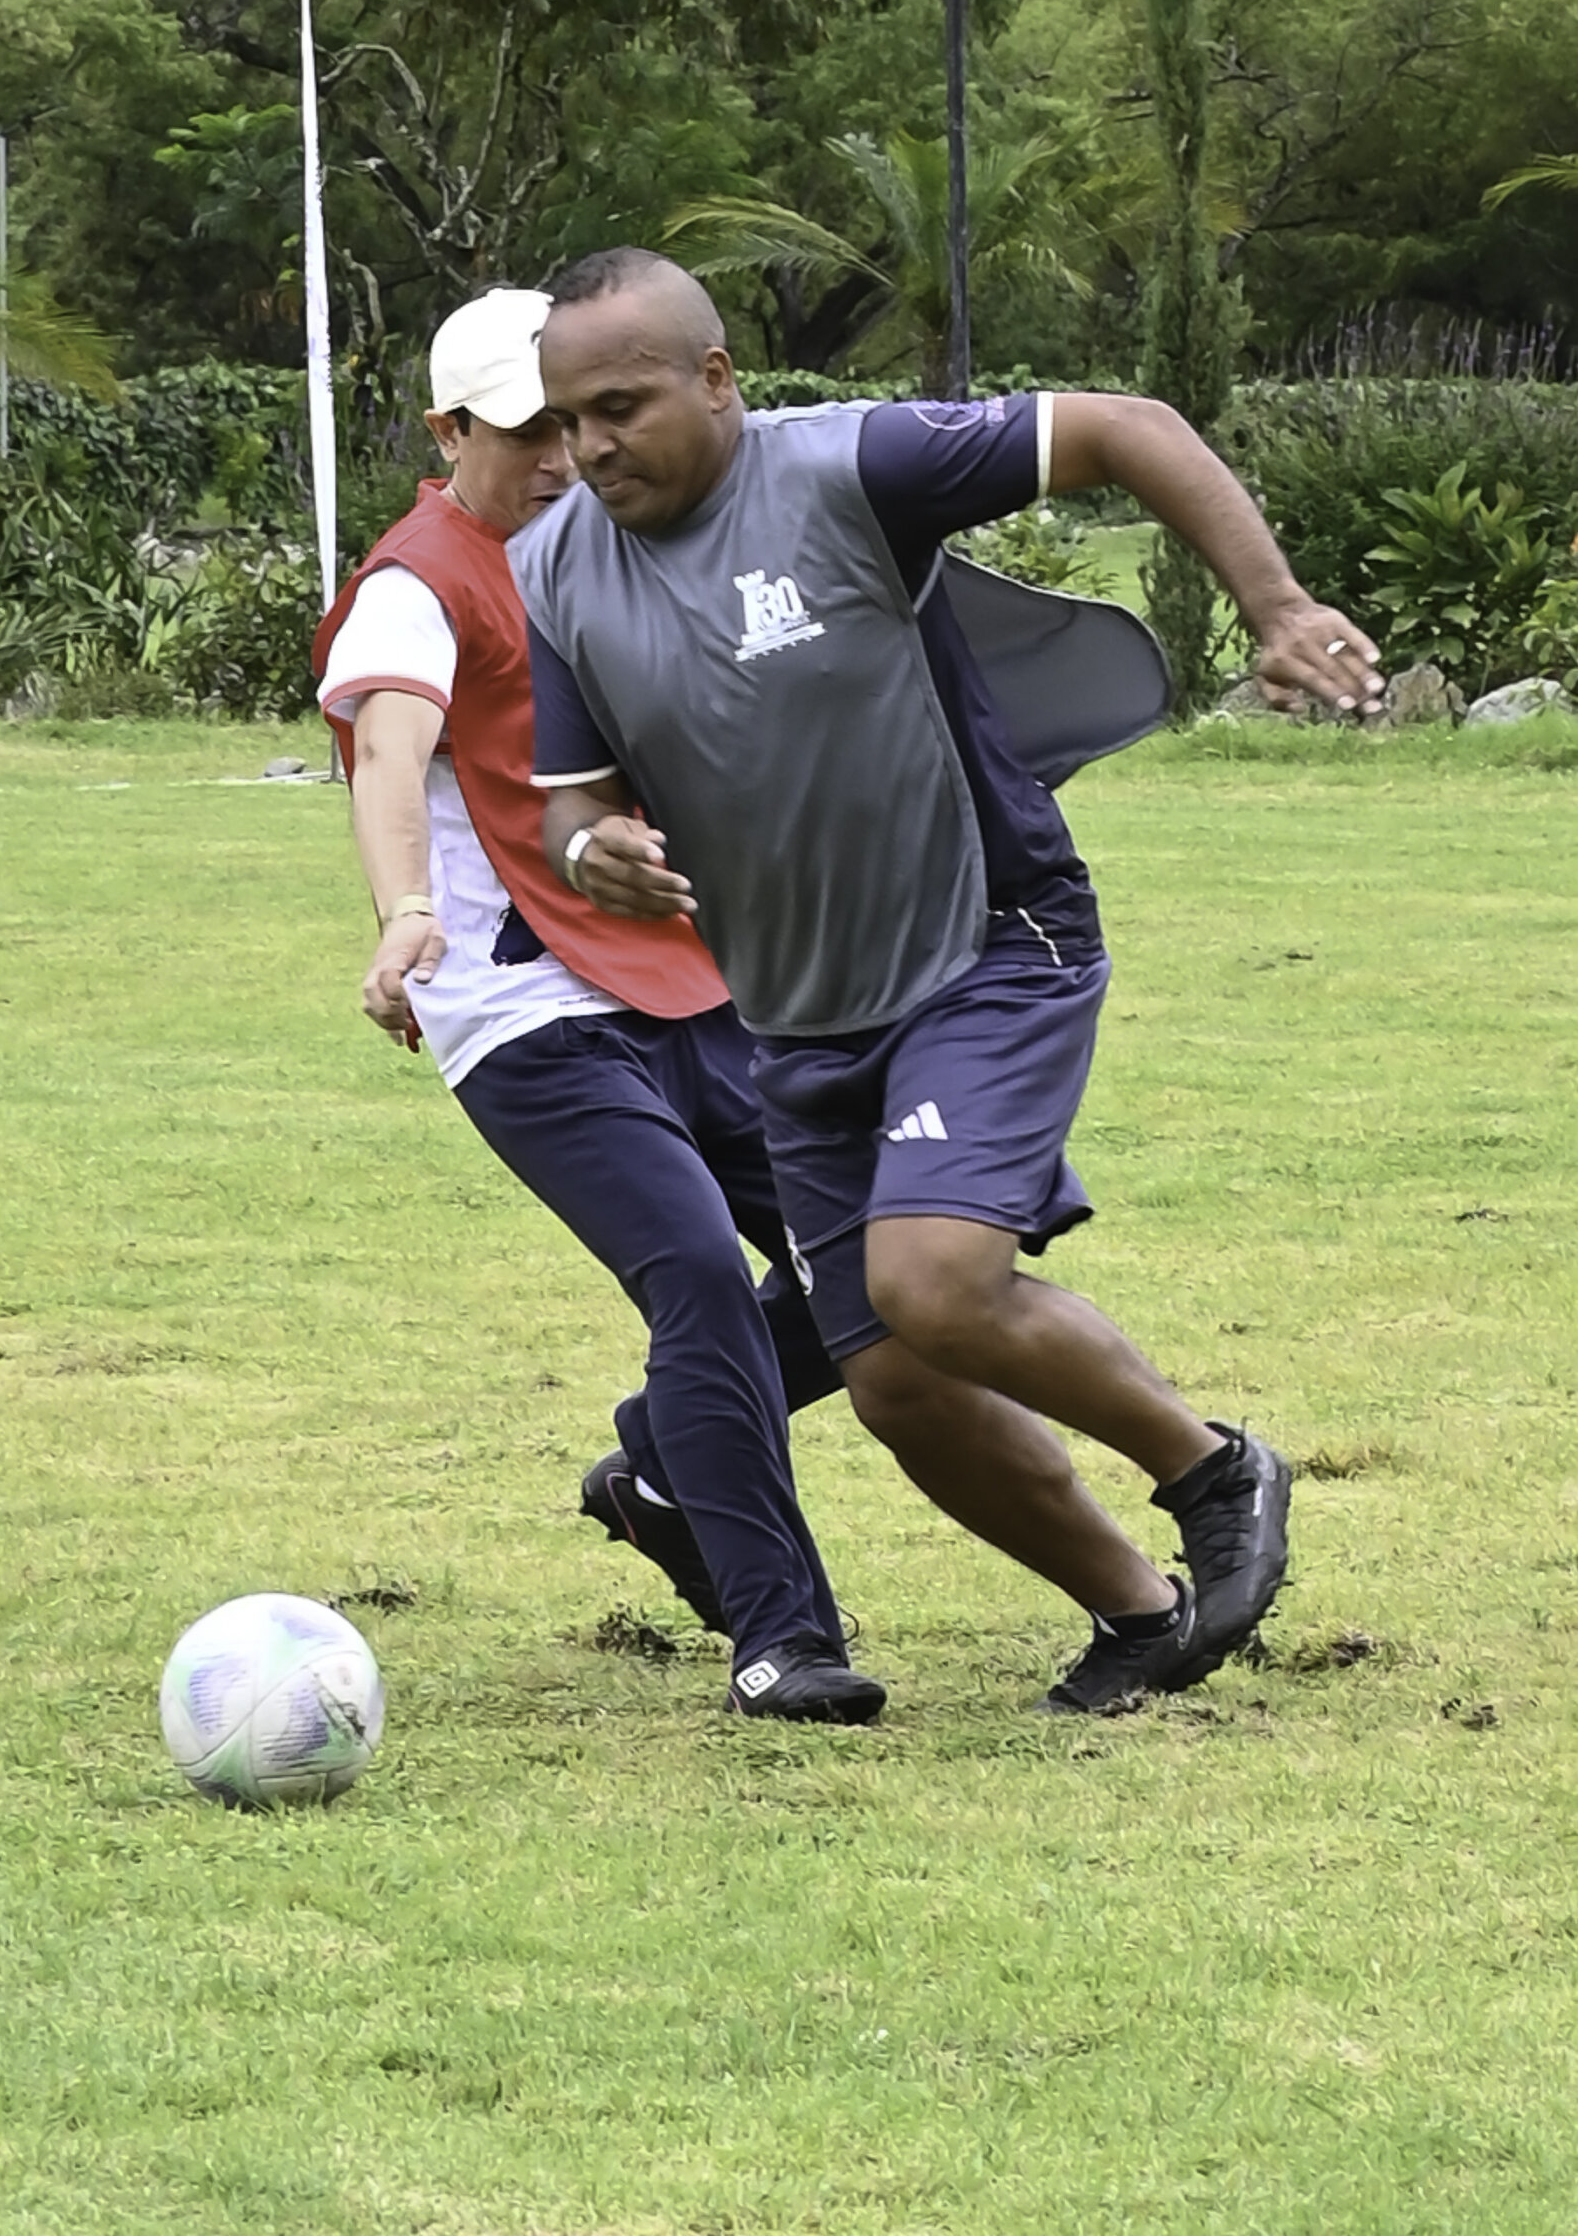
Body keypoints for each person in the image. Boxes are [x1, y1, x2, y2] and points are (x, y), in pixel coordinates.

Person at [515, 248, 1387, 1708]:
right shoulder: (555, 567)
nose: (590, 446)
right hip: (797, 1018)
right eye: (566, 420)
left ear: (717, 380)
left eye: (620, 407)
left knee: (934, 1283)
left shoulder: (849, 468)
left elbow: (1129, 426)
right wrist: (591, 846)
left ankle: (1215, 1472)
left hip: (985, 941)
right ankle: (1138, 1615)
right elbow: (573, 797)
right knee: (896, 1382)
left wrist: (1275, 606)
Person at [311, 287, 884, 1724]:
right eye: (525, 431)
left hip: (691, 976)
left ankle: (665, 1465)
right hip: (525, 1012)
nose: (562, 456)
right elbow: (391, 754)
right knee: (697, 1272)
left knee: (883, 1258)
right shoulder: (417, 584)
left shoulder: (629, 544)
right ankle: (783, 1637)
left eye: (574, 422)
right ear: (447, 432)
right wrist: (404, 907)